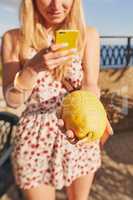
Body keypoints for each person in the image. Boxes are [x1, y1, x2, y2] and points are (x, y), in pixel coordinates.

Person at [1, 0, 113, 199]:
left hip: (76, 129)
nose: (56, 5)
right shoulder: (14, 38)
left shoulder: (88, 35)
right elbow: (13, 101)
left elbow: (91, 85)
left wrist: (96, 115)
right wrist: (32, 68)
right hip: (35, 139)